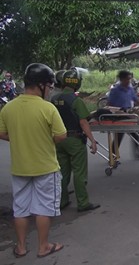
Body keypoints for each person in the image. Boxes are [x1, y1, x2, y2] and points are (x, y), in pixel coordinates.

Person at [0, 63, 66, 258]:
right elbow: (61, 136)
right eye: (50, 85)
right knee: (43, 208)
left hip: (20, 168)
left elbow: (2, 133)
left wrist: (20, 137)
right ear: (40, 85)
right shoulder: (48, 108)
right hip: (45, 167)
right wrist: (42, 138)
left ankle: (20, 247)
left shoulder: (8, 107)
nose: (50, 89)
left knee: (20, 208)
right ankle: (43, 246)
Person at [52, 69, 100, 212]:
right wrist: (92, 140)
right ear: (77, 83)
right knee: (79, 172)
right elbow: (83, 123)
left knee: (63, 172)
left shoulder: (54, 99)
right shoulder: (76, 100)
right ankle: (83, 203)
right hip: (74, 140)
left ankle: (62, 200)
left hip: (58, 140)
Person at [107, 70, 139, 158]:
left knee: (136, 133)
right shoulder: (115, 91)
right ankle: (112, 155)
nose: (128, 81)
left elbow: (136, 99)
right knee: (118, 136)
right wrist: (114, 111)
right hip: (119, 114)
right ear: (121, 79)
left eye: (129, 79)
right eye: (127, 79)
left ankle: (138, 152)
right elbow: (109, 104)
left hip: (129, 112)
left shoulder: (130, 89)